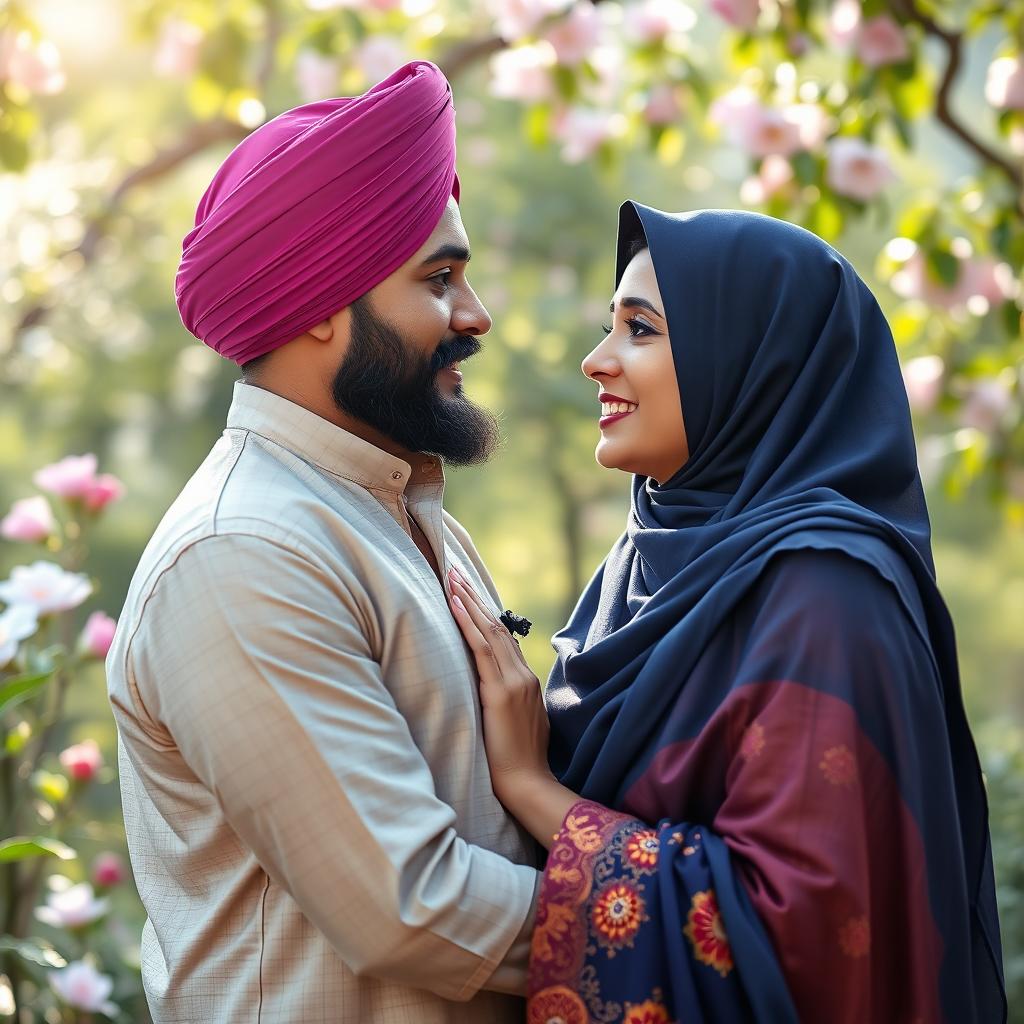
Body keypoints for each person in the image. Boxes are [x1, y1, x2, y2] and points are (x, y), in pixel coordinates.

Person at [447, 201, 1007, 1023]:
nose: (596, 361)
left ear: (755, 361)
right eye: (612, 326)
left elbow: (797, 939)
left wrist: (533, 789)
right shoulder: (640, 565)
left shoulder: (828, 598)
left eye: (641, 329)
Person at [105, 61, 541, 1023]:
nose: (475, 316)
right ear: (317, 305)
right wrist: (692, 926)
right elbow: (412, 908)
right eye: (439, 279)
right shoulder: (243, 551)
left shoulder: (400, 511)